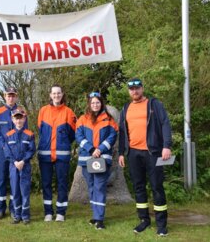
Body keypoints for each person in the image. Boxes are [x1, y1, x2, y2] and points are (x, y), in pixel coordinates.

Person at [118, 78, 172, 237]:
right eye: (131, 89)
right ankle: (144, 220)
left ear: (142, 88)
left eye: (137, 88)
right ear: (129, 91)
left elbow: (165, 124)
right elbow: (122, 132)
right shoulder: (125, 107)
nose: (134, 91)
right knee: (139, 187)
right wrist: (121, 152)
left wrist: (166, 146)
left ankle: (162, 225)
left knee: (157, 187)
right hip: (133, 153)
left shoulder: (154, 104)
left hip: (153, 152)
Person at [75, 92, 118, 230]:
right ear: (89, 104)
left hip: (102, 158)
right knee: (92, 187)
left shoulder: (109, 119)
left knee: (99, 187)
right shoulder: (82, 119)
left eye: (97, 102)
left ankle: (100, 219)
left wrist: (99, 149)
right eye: (93, 102)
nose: (95, 105)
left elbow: (112, 136)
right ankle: (95, 215)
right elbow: (79, 136)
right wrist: (91, 149)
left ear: (101, 103)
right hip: (86, 159)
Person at [37, 85, 76, 222]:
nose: (56, 95)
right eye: (54, 93)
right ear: (50, 95)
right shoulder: (43, 111)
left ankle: (61, 212)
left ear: (62, 94)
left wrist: (63, 143)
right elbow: (40, 131)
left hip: (62, 154)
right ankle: (48, 212)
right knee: (46, 183)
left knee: (62, 183)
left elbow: (73, 134)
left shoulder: (69, 112)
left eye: (58, 93)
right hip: (45, 154)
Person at [0, 87, 27, 219]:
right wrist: (3, 146)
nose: (11, 98)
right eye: (9, 95)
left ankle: (14, 207)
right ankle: (1, 208)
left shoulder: (22, 111)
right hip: (3, 151)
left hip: (17, 153)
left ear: (16, 97)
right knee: (1, 180)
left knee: (15, 180)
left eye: (13, 96)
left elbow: (25, 131)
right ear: (4, 96)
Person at [4, 107, 36, 224]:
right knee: (15, 191)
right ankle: (17, 215)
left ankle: (25, 216)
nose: (18, 121)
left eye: (20, 118)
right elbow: (7, 151)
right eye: (16, 118)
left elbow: (31, 150)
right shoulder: (8, 135)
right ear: (12, 119)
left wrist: (23, 161)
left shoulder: (29, 134)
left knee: (25, 192)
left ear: (24, 118)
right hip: (13, 167)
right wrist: (15, 162)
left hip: (25, 166)